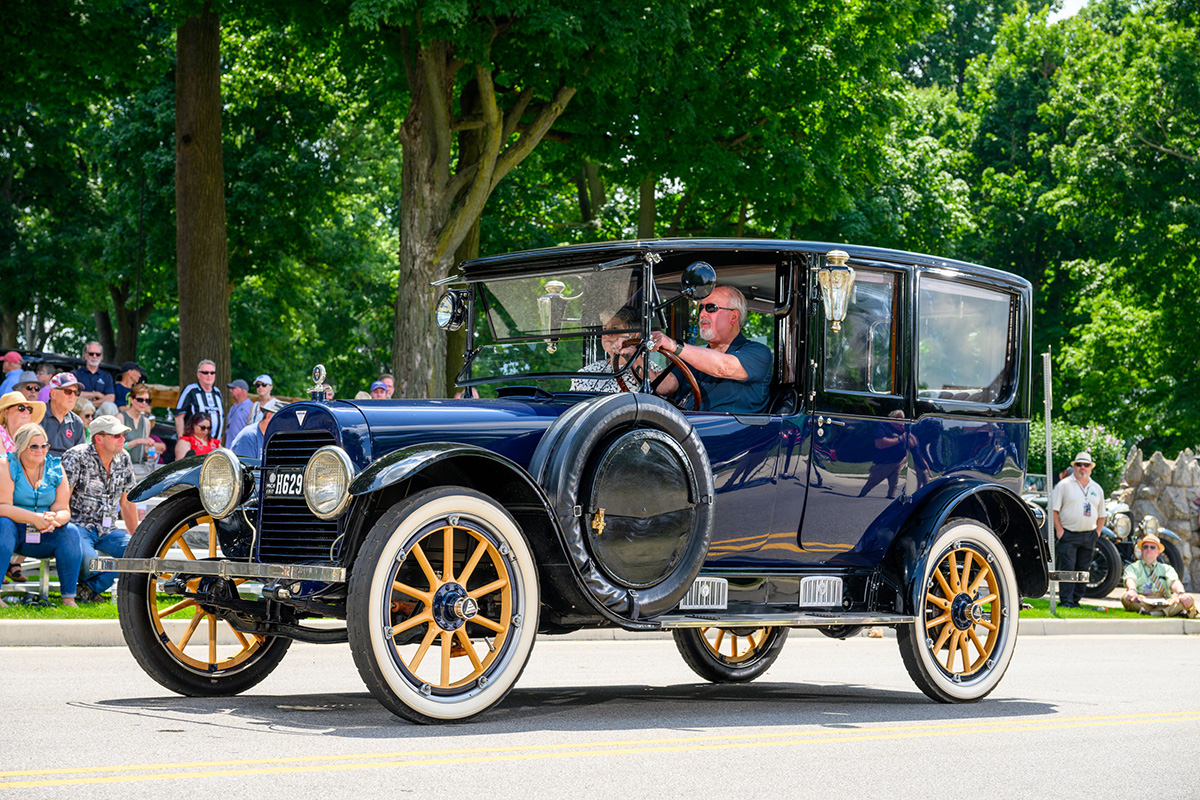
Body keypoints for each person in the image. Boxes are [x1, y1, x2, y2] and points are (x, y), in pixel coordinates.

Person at [646, 286, 772, 413]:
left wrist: (674, 346)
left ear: (733, 317)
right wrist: (631, 354)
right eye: (701, 308)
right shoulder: (695, 356)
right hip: (688, 427)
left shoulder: (759, 353)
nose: (702, 314)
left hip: (730, 431)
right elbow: (665, 386)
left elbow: (723, 367)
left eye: (711, 308)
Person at [0, 424, 83, 607]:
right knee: (3, 524)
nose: (41, 450)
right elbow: (3, 507)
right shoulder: (6, 464)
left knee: (71, 532)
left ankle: (69, 597)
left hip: (45, 529)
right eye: (34, 446)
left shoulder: (56, 467)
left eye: (44, 446)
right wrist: (34, 518)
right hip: (15, 530)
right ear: (21, 447)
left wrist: (54, 519)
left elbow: (64, 510)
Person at [62, 415, 137, 602]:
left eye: (123, 435)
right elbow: (63, 498)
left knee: (140, 553)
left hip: (108, 530)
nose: (123, 439)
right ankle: (91, 588)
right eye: (116, 435)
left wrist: (138, 538)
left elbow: (127, 502)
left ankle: (89, 589)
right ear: (99, 438)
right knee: (89, 561)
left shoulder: (124, 458)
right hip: (77, 527)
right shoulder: (76, 456)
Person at [1051, 451, 1106, 608]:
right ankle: (1066, 601)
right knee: (1067, 569)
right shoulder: (1063, 485)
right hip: (1068, 533)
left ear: (1091, 468)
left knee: (1083, 570)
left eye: (1086, 465)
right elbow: (1054, 510)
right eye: (1079, 464)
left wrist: (1097, 532)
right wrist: (1060, 531)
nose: (1082, 467)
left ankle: (1076, 601)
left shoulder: (1097, 488)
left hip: (1089, 534)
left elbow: (1102, 514)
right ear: (1074, 467)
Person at [1120, 532, 1197, 617]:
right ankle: (1168, 612)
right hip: (1142, 600)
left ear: (1158, 552)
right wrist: (1132, 590)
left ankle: (1153, 613)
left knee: (1189, 598)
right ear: (1141, 550)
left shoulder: (1167, 568)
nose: (1148, 549)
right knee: (1126, 597)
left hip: (1165, 601)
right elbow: (1130, 579)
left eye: (1152, 547)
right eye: (1145, 547)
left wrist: (1181, 593)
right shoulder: (1133, 567)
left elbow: (1174, 582)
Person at [121, 383, 165, 480]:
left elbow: (143, 451)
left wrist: (150, 454)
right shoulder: (120, 418)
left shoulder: (146, 422)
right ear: (131, 400)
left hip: (138, 469)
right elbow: (115, 448)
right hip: (121, 468)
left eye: (147, 400)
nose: (144, 403)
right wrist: (137, 441)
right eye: (140, 399)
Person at [175, 359, 224, 440]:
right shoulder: (191, 390)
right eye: (205, 372)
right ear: (198, 375)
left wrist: (219, 441)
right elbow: (179, 416)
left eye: (212, 373)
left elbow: (221, 419)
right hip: (195, 443)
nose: (209, 375)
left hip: (214, 443)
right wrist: (182, 439)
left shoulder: (217, 392)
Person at [42, 373, 85, 457]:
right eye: (68, 391)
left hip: (67, 468)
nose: (73, 396)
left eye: (76, 393)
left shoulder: (77, 422)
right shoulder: (38, 415)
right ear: (53, 393)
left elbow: (78, 457)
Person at [72, 341, 116, 405]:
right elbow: (73, 393)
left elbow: (111, 398)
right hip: (80, 409)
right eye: (91, 354)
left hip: (100, 410)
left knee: (110, 406)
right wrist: (96, 394)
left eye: (98, 354)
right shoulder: (75, 374)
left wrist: (91, 404)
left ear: (101, 356)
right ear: (85, 355)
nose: (94, 356)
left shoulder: (107, 376)